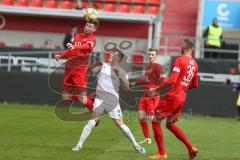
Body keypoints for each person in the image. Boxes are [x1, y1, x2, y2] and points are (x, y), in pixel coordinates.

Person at [71, 49, 145, 154]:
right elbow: (89, 71)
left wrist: (119, 75)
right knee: (92, 121)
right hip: (100, 99)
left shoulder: (122, 71)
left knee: (120, 124)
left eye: (113, 54)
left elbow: (127, 87)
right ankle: (79, 145)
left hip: (112, 101)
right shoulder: (103, 66)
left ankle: (136, 145)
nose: (110, 55)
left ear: (118, 58)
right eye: (110, 53)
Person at [149, 39, 199, 160]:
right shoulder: (195, 64)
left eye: (181, 45)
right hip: (181, 98)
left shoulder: (180, 60)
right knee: (170, 124)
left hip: (173, 97)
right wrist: (183, 86)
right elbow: (195, 85)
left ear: (184, 47)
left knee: (155, 120)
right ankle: (191, 148)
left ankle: (162, 153)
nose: (180, 47)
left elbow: (172, 80)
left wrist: (157, 88)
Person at [55, 19, 99, 111]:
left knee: (82, 98)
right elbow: (71, 49)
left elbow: (87, 46)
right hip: (69, 68)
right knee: (65, 96)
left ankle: (93, 109)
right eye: (86, 25)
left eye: (90, 26)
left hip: (80, 70)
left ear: (94, 29)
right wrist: (61, 56)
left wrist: (75, 46)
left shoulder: (92, 39)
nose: (87, 27)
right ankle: (87, 99)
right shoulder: (78, 36)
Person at [130, 48, 165, 145]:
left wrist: (156, 89)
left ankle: (159, 135)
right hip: (145, 96)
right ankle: (147, 138)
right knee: (141, 116)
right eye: (149, 54)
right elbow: (146, 81)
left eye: (152, 54)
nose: (150, 56)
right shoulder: (149, 66)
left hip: (152, 97)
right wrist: (135, 83)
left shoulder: (157, 67)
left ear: (156, 55)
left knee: (151, 118)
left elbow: (163, 80)